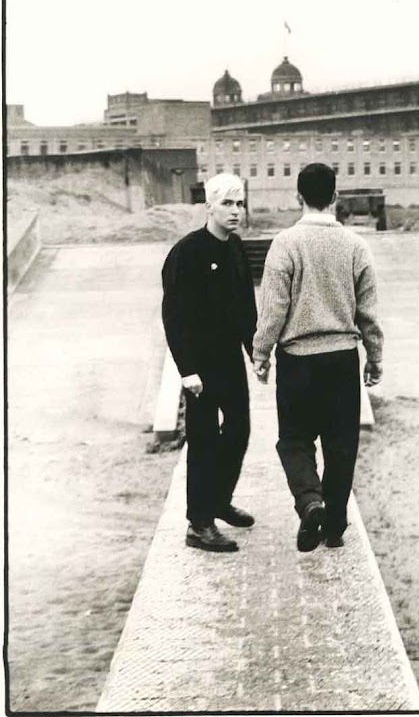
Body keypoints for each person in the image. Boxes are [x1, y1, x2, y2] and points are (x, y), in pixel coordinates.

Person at [252, 163, 383, 552]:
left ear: (298, 197)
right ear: (336, 197)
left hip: (298, 361)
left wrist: (261, 353)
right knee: (341, 445)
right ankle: (335, 526)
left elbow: (273, 309)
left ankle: (310, 501)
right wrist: (375, 357)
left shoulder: (285, 244)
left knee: (294, 440)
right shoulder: (356, 246)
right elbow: (368, 312)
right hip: (342, 359)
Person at [162, 173, 257, 553]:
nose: (235, 211)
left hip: (229, 359)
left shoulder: (235, 248)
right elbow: (173, 316)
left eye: (239, 204)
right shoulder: (187, 252)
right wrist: (187, 370)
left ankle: (219, 500)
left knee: (239, 430)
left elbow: (245, 308)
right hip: (199, 365)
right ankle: (199, 523)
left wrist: (256, 352)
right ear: (209, 207)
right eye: (227, 204)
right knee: (203, 441)